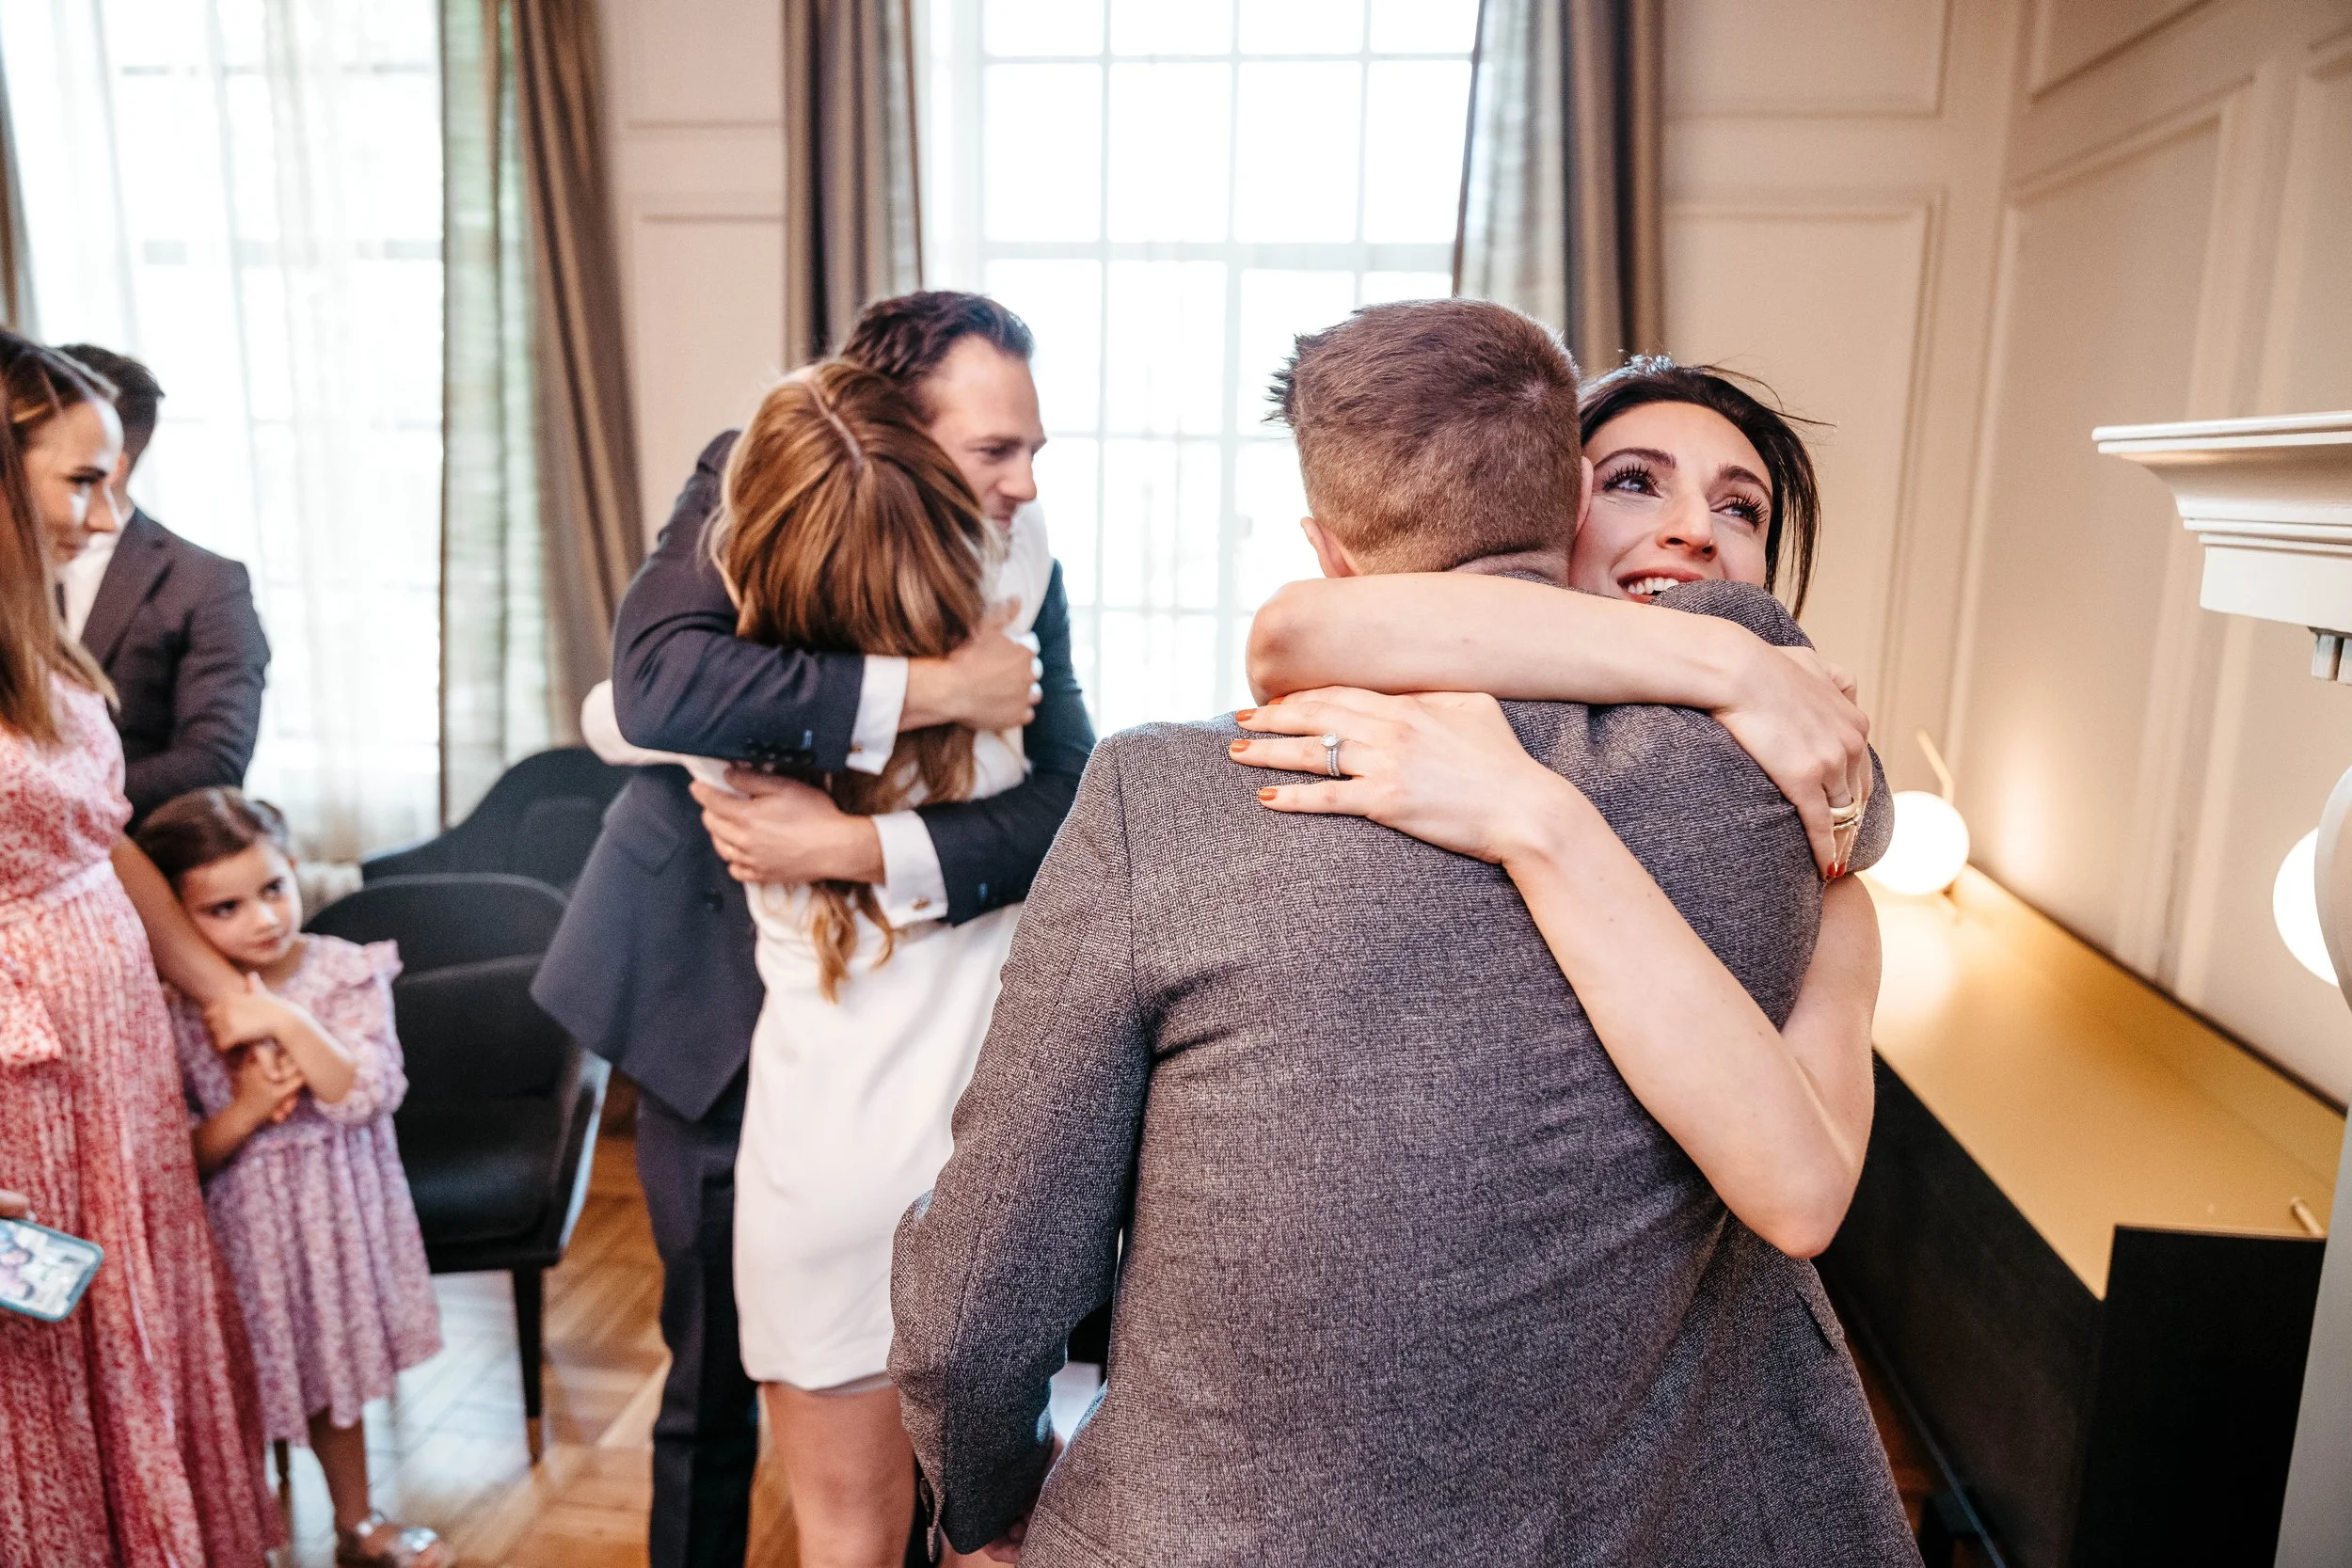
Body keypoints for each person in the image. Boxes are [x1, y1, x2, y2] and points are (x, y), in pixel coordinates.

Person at [889, 302, 1918, 1565]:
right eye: (1633, 480)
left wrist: (1548, 802)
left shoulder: (1794, 778)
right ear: (1562, 497)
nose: (1690, 529)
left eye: (1739, 504)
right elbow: (1305, 631)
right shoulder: (1760, 784)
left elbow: (980, 1293)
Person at [532, 290, 1092, 1568]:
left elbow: (1066, 785)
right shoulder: (761, 477)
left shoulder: (1021, 547)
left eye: (1032, 448)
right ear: (889, 428)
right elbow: (650, 689)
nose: (1027, 481)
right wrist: (940, 688)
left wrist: (857, 845)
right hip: (702, 993)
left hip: (883, 1041)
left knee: (906, 1461)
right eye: (996, 449)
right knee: (702, 1384)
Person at [0, 330, 282, 1563]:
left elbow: (100, 840)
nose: (111, 511)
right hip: (28, 1090)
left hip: (116, 1066)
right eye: (80, 478)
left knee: (137, 1330)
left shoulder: (38, 647)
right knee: (49, 1367)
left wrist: (223, 989)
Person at [135, 786, 448, 1568]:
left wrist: (283, 1018)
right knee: (240, 1399)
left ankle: (356, 1522)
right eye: (225, 908)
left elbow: (364, 1091)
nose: (264, 919)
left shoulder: (342, 971)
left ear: (296, 865)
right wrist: (244, 1110)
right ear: (177, 916)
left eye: (273, 888)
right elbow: (176, 1158)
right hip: (240, 1245)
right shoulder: (171, 1006)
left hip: (332, 1230)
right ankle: (249, 1537)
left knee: (329, 1390)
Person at [53, 344, 270, 826]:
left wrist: (59, 801)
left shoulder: (206, 584)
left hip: (134, 853)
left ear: (109, 463)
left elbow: (214, 760)